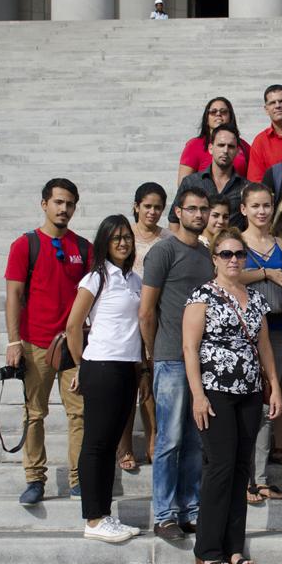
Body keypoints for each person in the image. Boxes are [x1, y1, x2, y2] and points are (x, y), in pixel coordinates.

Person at [184, 229, 282, 564]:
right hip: (215, 391)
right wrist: (197, 394)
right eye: (226, 254)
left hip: (250, 390)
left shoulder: (255, 298)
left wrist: (274, 385)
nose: (233, 260)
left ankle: (233, 546)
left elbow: (265, 346)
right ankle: (208, 548)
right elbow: (189, 349)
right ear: (215, 259)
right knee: (220, 467)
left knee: (242, 469)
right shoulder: (202, 295)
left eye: (239, 254)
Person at [4, 178, 92, 506]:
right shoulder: (25, 245)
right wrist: (13, 342)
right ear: (44, 204)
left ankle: (79, 479)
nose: (63, 209)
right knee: (35, 414)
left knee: (79, 414)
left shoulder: (83, 248)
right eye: (58, 202)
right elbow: (13, 294)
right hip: (35, 343)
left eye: (69, 203)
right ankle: (34, 478)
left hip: (72, 346)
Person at [140, 187, 214, 541]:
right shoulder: (163, 251)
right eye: (192, 209)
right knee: (169, 439)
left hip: (201, 360)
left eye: (204, 209)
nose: (199, 215)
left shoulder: (206, 254)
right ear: (178, 212)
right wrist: (153, 353)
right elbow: (146, 310)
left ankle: (190, 507)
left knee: (195, 439)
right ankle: (165, 514)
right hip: (170, 357)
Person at [66, 215, 144, 543]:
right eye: (116, 238)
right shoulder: (95, 278)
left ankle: (105, 514)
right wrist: (80, 365)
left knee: (111, 444)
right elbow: (73, 326)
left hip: (128, 366)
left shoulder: (134, 280)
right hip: (101, 365)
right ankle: (94, 518)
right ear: (104, 243)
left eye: (127, 237)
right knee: (96, 443)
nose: (123, 242)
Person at [239, 184, 282, 499]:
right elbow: (226, 276)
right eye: (255, 206)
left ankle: (259, 478)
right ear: (244, 209)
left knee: (266, 403)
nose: (262, 211)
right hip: (241, 331)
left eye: (266, 205)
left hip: (274, 328)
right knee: (244, 402)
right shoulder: (237, 242)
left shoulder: (281, 245)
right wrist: (264, 274)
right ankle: (243, 479)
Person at [119, 183, 172, 471]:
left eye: (158, 207)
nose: (152, 212)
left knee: (150, 383)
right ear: (137, 206)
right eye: (147, 206)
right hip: (126, 319)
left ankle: (153, 440)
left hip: (157, 318)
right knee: (128, 385)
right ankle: (125, 446)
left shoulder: (168, 238)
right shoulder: (124, 235)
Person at [172, 124, 247, 230]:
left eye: (230, 146)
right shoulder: (191, 182)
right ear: (210, 148)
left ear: (237, 151)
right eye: (221, 145)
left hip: (231, 244)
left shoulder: (245, 187)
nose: (225, 150)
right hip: (197, 245)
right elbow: (174, 219)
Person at [177, 97, 249, 184]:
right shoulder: (194, 145)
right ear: (207, 119)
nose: (218, 114)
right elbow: (184, 184)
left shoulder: (244, 146)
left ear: (230, 117)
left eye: (223, 112)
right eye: (213, 111)